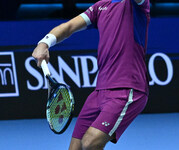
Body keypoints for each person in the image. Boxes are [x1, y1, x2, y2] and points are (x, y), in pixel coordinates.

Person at [32, 0, 150, 149]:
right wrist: (44, 43)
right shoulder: (100, 7)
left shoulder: (137, 4)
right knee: (75, 148)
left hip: (127, 89)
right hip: (99, 91)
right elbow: (68, 27)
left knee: (90, 142)